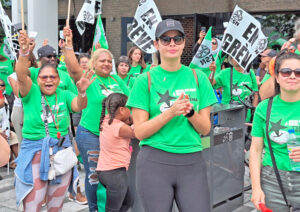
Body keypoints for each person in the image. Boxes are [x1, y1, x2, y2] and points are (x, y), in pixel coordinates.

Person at [127, 19, 217, 212]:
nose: (172, 44)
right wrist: (170, 113)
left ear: (184, 43)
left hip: (192, 160)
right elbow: (140, 132)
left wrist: (190, 112)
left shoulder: (198, 78)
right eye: (165, 39)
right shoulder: (144, 81)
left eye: (177, 39)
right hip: (154, 162)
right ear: (156, 44)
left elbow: (206, 128)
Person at [14, 30, 94, 211]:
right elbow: (20, 73)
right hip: (35, 150)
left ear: (59, 80)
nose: (48, 80)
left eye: (53, 77)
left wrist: (82, 92)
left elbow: (79, 105)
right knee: (33, 203)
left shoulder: (64, 93)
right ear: (37, 79)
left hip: (61, 150)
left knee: (56, 204)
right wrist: (24, 51)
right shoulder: (30, 92)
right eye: (44, 77)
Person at [63, 26, 130, 211]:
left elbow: (132, 103)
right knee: (94, 175)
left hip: (114, 138)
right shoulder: (89, 78)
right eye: (102, 61)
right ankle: (95, 209)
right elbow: (73, 68)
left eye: (110, 61)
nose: (107, 64)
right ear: (93, 63)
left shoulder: (117, 80)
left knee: (114, 175)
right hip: (91, 135)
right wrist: (68, 45)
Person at [250, 51, 300, 211]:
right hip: (272, 181)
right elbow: (256, 150)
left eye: (298, 72)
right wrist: (256, 187)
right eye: (286, 72)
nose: (293, 76)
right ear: (277, 77)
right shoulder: (264, 108)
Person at [97, 93, 134, 212]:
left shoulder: (107, 120)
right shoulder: (119, 127)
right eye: (130, 108)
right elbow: (138, 132)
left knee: (128, 201)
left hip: (105, 171)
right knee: (113, 209)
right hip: (115, 173)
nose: (132, 111)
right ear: (122, 109)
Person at [211, 57, 259, 121]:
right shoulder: (225, 73)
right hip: (227, 114)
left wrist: (254, 113)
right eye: (234, 57)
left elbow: (255, 93)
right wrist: (212, 72)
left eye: (239, 56)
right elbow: (211, 84)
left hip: (245, 114)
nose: (237, 59)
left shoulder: (250, 72)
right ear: (230, 60)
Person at [0, 79, 19, 168]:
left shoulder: (6, 102)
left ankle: (19, 160)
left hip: (5, 127)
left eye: (2, 85)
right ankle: (8, 160)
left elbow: (5, 120)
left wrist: (5, 131)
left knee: (13, 136)